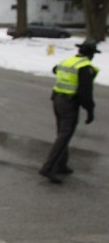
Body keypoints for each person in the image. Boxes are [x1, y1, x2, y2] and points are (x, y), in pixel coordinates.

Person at [39, 40, 101, 184]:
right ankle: (48, 167)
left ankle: (61, 165)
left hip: (57, 99)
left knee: (62, 132)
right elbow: (85, 93)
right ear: (91, 54)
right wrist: (90, 110)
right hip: (69, 103)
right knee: (65, 136)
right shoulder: (85, 68)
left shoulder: (68, 61)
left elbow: (55, 69)